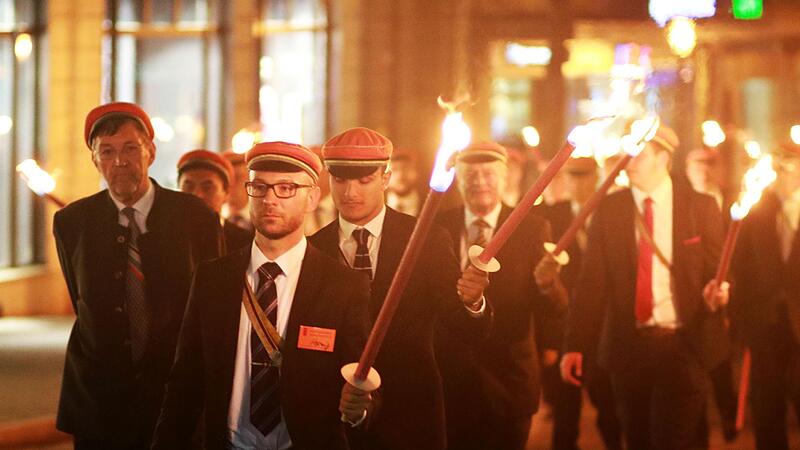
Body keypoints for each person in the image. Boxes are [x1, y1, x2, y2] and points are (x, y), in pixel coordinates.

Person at [152, 141, 374, 449]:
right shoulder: (213, 278)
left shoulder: (343, 286)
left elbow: (359, 386)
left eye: (286, 188)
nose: (270, 199)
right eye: (260, 187)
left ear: (312, 197)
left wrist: (359, 411)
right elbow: (185, 382)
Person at [309, 127, 491, 450]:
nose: (350, 192)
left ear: (385, 178)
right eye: (340, 180)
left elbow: (463, 327)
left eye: (364, 180)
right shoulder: (314, 249)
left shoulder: (425, 240)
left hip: (411, 411)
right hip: (336, 413)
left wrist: (473, 301)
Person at [52, 102, 222, 449]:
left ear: (151, 152)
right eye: (108, 152)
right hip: (99, 400)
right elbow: (80, 299)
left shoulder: (195, 217)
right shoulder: (72, 222)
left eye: (131, 148)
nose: (120, 161)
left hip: (177, 397)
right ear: (95, 160)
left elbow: (215, 305)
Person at [560, 123, 730, 450]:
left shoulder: (700, 206)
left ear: (663, 157)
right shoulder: (610, 209)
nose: (628, 161)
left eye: (638, 153)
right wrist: (575, 345)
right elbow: (592, 284)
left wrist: (720, 291)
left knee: (671, 440)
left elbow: (718, 271)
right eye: (626, 152)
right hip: (629, 348)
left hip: (684, 345)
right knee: (637, 439)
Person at [435, 141, 567, 450]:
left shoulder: (531, 228)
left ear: (505, 178)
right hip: (450, 379)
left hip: (509, 379)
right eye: (471, 174)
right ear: (458, 179)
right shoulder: (437, 226)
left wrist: (548, 285)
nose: (480, 181)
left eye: (489, 174)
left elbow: (556, 306)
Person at [535, 156, 622, 450]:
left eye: (584, 176)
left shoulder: (613, 214)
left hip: (603, 328)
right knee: (565, 413)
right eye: (571, 176)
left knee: (610, 409)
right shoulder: (550, 217)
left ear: (596, 177)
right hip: (563, 326)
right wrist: (548, 338)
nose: (577, 182)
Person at [730, 142, 800, 450]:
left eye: (792, 168)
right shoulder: (755, 211)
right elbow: (740, 268)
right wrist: (739, 319)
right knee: (767, 403)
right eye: (779, 169)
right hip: (765, 325)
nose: (785, 176)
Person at [178, 149, 254, 253]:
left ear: (226, 192)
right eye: (189, 187)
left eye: (207, 188)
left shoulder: (246, 243)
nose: (197, 195)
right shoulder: (166, 237)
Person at [223, 150, 254, 231]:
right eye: (227, 180)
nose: (231, 185)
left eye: (237, 178)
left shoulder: (262, 219)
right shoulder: (215, 220)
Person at [386, 147, 422, 215]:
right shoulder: (374, 207)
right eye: (394, 169)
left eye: (406, 168)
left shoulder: (431, 207)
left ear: (417, 172)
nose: (400, 175)